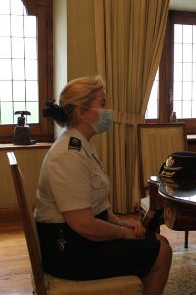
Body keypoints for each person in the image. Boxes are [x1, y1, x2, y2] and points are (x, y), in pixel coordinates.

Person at [34, 77, 172, 295]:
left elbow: (95, 203)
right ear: (82, 112)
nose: (109, 110)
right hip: (69, 250)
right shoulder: (67, 156)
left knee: (158, 240)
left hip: (79, 239)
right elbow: (83, 225)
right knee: (162, 252)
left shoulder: (82, 145)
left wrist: (120, 222)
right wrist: (122, 233)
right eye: (103, 104)